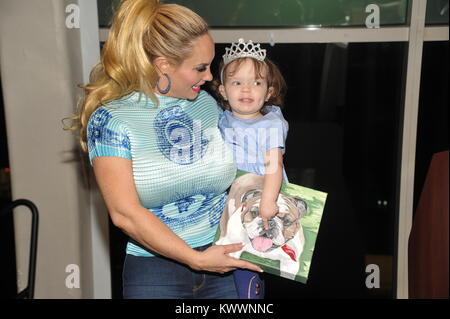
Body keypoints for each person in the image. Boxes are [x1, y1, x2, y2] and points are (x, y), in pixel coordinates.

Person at [66, 0, 262, 299]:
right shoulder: (111, 120)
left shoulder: (208, 105)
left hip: (227, 255)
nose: (209, 76)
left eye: (210, 65)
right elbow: (124, 213)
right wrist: (195, 258)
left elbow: (247, 171)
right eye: (200, 67)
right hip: (155, 272)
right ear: (163, 64)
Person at [211, 38, 288, 299]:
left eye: (256, 82)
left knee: (251, 254)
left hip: (258, 195)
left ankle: (250, 297)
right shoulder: (222, 118)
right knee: (229, 250)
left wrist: (268, 200)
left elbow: (274, 165)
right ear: (222, 90)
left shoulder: (269, 124)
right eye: (237, 82)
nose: (247, 89)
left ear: (268, 92)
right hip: (228, 196)